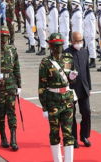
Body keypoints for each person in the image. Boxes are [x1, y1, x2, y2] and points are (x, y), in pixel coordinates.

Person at [38, 33, 77, 162]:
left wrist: (72, 78)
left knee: (68, 133)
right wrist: (44, 107)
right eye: (56, 46)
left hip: (67, 100)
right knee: (54, 134)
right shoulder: (45, 63)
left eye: (60, 45)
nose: (58, 48)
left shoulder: (68, 59)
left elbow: (72, 81)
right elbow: (42, 86)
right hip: (53, 102)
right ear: (51, 46)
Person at [0, 26, 21, 151]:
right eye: (2, 36)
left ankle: (13, 139)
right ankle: (3, 137)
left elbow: (16, 68)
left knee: (12, 112)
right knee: (1, 113)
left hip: (11, 85)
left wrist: (19, 85)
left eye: (6, 36)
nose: (4, 39)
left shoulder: (13, 50)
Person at [63, 31, 92, 149]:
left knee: (86, 112)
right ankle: (73, 137)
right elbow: (65, 71)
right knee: (72, 114)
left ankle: (84, 136)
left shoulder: (84, 51)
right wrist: (70, 75)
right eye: (76, 41)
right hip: (72, 88)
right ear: (71, 41)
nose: (78, 43)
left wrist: (89, 87)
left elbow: (87, 71)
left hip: (84, 87)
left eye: (80, 41)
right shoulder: (66, 54)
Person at [82, 0, 97, 68]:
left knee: (91, 47)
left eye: (86, 5)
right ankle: (89, 60)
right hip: (86, 33)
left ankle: (93, 61)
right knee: (88, 47)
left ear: (90, 5)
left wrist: (92, 35)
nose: (85, 6)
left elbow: (93, 25)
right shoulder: (86, 12)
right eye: (84, 4)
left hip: (90, 33)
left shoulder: (91, 14)